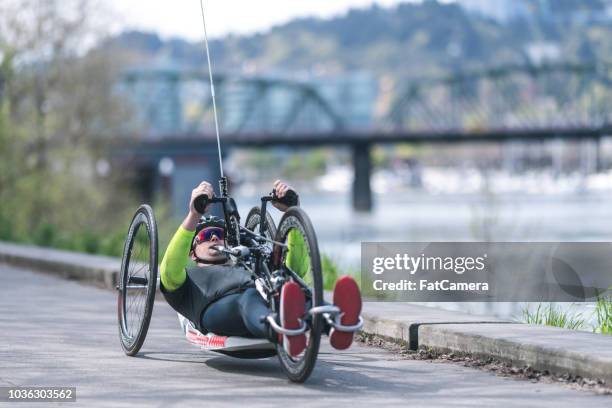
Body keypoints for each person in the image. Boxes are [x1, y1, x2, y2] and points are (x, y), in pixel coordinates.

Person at [160, 179, 362, 357]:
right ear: (192, 252)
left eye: (220, 234)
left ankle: (336, 322)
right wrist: (194, 214)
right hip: (217, 309)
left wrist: (295, 211)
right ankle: (281, 328)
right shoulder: (188, 279)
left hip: (263, 299)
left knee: (291, 288)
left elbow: (295, 272)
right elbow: (168, 272)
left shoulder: (247, 265)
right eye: (205, 235)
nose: (214, 237)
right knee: (248, 298)